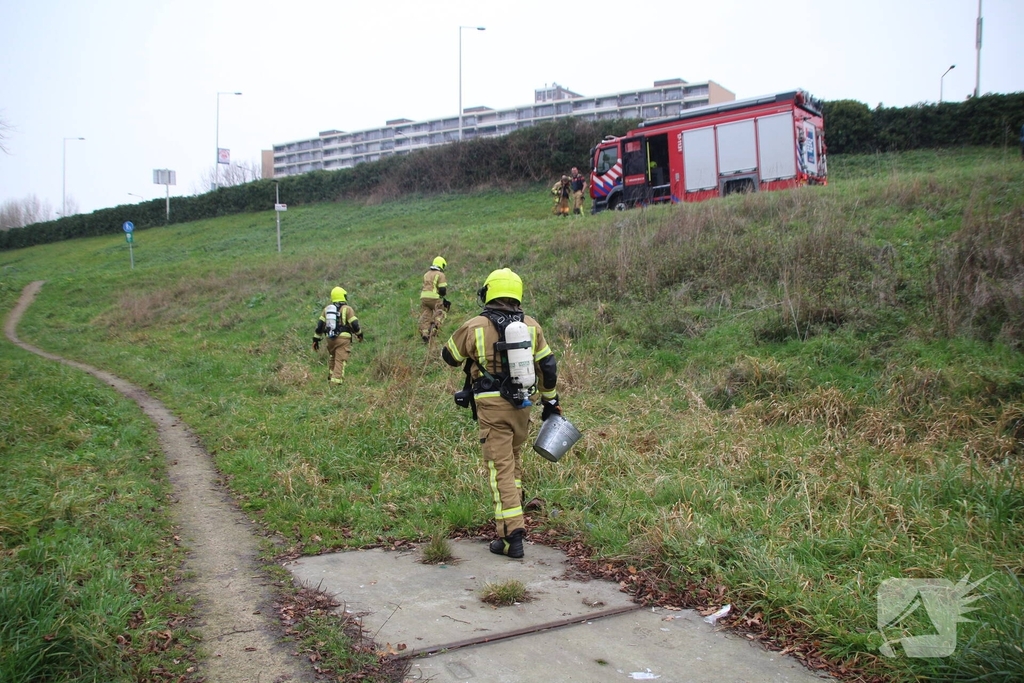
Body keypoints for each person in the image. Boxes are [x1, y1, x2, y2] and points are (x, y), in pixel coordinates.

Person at [442, 268, 560, 559]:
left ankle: (511, 537)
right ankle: (515, 518)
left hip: (492, 407)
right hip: (523, 405)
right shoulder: (532, 326)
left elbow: (449, 356)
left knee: (500, 470)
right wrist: (551, 402)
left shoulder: (475, 326)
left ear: (488, 292)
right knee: (514, 463)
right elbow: (548, 367)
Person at [313, 286, 363, 384]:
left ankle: (331, 377)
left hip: (330, 339)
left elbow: (319, 326)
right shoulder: (347, 309)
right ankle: (336, 384)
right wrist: (359, 334)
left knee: (333, 358)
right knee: (340, 360)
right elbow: (355, 324)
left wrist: (316, 340)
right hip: (343, 339)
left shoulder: (327, 309)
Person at [418, 256, 450, 343]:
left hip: (424, 297)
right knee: (441, 311)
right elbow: (442, 289)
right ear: (442, 265)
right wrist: (443, 298)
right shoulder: (440, 274)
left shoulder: (426, 274)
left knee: (426, 315)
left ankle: (425, 334)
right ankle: (435, 328)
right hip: (434, 297)